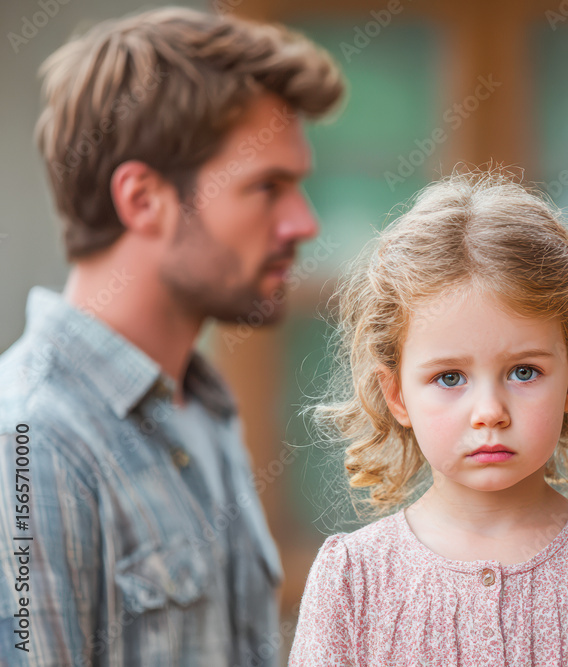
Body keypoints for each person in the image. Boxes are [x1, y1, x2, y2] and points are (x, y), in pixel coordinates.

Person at [0, 8, 343, 666]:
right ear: (143, 199)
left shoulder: (202, 409)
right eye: (268, 187)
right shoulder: (31, 438)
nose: (304, 222)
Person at [289, 170, 568, 665]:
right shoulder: (353, 578)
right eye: (450, 378)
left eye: (523, 371)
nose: (490, 413)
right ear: (395, 393)